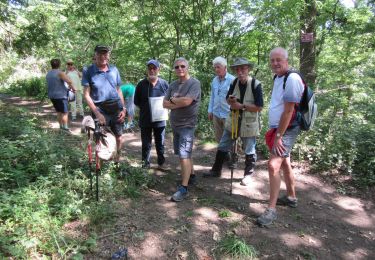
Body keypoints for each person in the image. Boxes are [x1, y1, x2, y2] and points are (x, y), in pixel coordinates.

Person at [256, 47, 304, 227]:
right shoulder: (278, 77)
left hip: (287, 128)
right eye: (272, 60)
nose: (275, 63)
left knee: (273, 165)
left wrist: (279, 136)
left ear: (286, 60)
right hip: (278, 127)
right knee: (284, 161)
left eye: (279, 60)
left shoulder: (292, 79)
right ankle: (291, 197)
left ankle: (271, 210)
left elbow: (289, 110)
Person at [203, 57, 263, 187]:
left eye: (243, 68)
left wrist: (241, 106)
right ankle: (216, 170)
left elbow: (259, 107)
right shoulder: (234, 82)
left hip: (249, 122)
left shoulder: (255, 84)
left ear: (248, 69)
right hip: (234, 119)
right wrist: (230, 100)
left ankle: (248, 175)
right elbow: (227, 98)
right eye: (238, 69)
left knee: (249, 148)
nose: (240, 71)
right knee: (223, 144)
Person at [163, 57, 201, 202]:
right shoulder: (172, 85)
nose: (180, 69)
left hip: (187, 125)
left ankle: (183, 188)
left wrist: (174, 101)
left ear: (188, 67)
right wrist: (178, 102)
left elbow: (187, 101)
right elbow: (164, 104)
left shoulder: (194, 83)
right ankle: (191, 175)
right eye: (177, 67)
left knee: (183, 155)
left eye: (182, 66)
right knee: (183, 152)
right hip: (175, 124)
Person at [82, 45, 126, 161]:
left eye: (105, 54)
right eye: (100, 54)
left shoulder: (114, 70)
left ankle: (117, 162)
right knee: (99, 137)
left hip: (116, 107)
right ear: (95, 55)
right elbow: (86, 94)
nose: (103, 56)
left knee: (119, 137)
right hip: (100, 109)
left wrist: (123, 108)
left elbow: (118, 90)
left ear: (108, 55)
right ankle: (99, 165)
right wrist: (97, 113)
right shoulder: (89, 71)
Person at [134, 59, 169, 168]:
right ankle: (145, 164)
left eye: (154, 68)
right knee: (146, 143)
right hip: (145, 119)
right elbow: (136, 101)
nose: (152, 70)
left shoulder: (164, 84)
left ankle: (161, 161)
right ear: (147, 70)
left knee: (160, 142)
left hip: (160, 120)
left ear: (158, 69)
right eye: (150, 68)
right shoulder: (141, 84)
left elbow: (169, 100)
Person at [208, 56, 235, 143]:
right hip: (216, 114)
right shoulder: (214, 80)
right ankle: (221, 156)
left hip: (228, 114)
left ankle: (233, 156)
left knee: (231, 139)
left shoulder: (232, 80)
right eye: (215, 67)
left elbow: (236, 99)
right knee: (219, 139)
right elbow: (212, 96)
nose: (216, 69)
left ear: (225, 67)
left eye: (218, 67)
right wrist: (210, 110)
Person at [46, 58, 76, 131]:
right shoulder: (60, 73)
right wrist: (73, 89)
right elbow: (69, 81)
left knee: (59, 112)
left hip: (52, 96)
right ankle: (65, 127)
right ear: (59, 65)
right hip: (61, 96)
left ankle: (61, 126)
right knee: (65, 112)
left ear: (51, 65)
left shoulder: (48, 73)